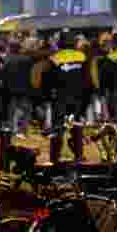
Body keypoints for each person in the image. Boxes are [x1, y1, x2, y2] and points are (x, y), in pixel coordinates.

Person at [30, 34, 90, 162]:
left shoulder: (54, 58)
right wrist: (86, 99)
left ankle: (54, 158)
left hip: (60, 98)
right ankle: (78, 156)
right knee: (77, 127)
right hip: (78, 98)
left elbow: (46, 79)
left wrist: (46, 97)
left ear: (59, 44)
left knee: (58, 129)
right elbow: (87, 80)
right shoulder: (82, 57)